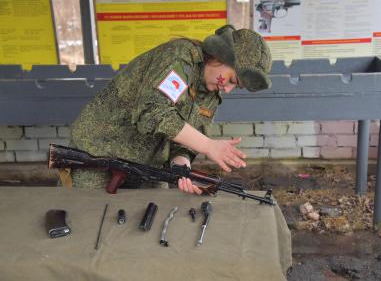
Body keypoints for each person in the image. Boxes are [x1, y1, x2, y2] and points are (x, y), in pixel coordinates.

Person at [66, 24, 272, 194]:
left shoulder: (210, 96)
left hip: (145, 165)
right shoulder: (181, 57)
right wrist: (208, 145)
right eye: (232, 80)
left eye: (237, 87)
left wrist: (181, 166)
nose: (227, 88)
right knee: (89, 220)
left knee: (148, 223)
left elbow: (185, 140)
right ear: (220, 56)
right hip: (98, 153)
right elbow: (152, 111)